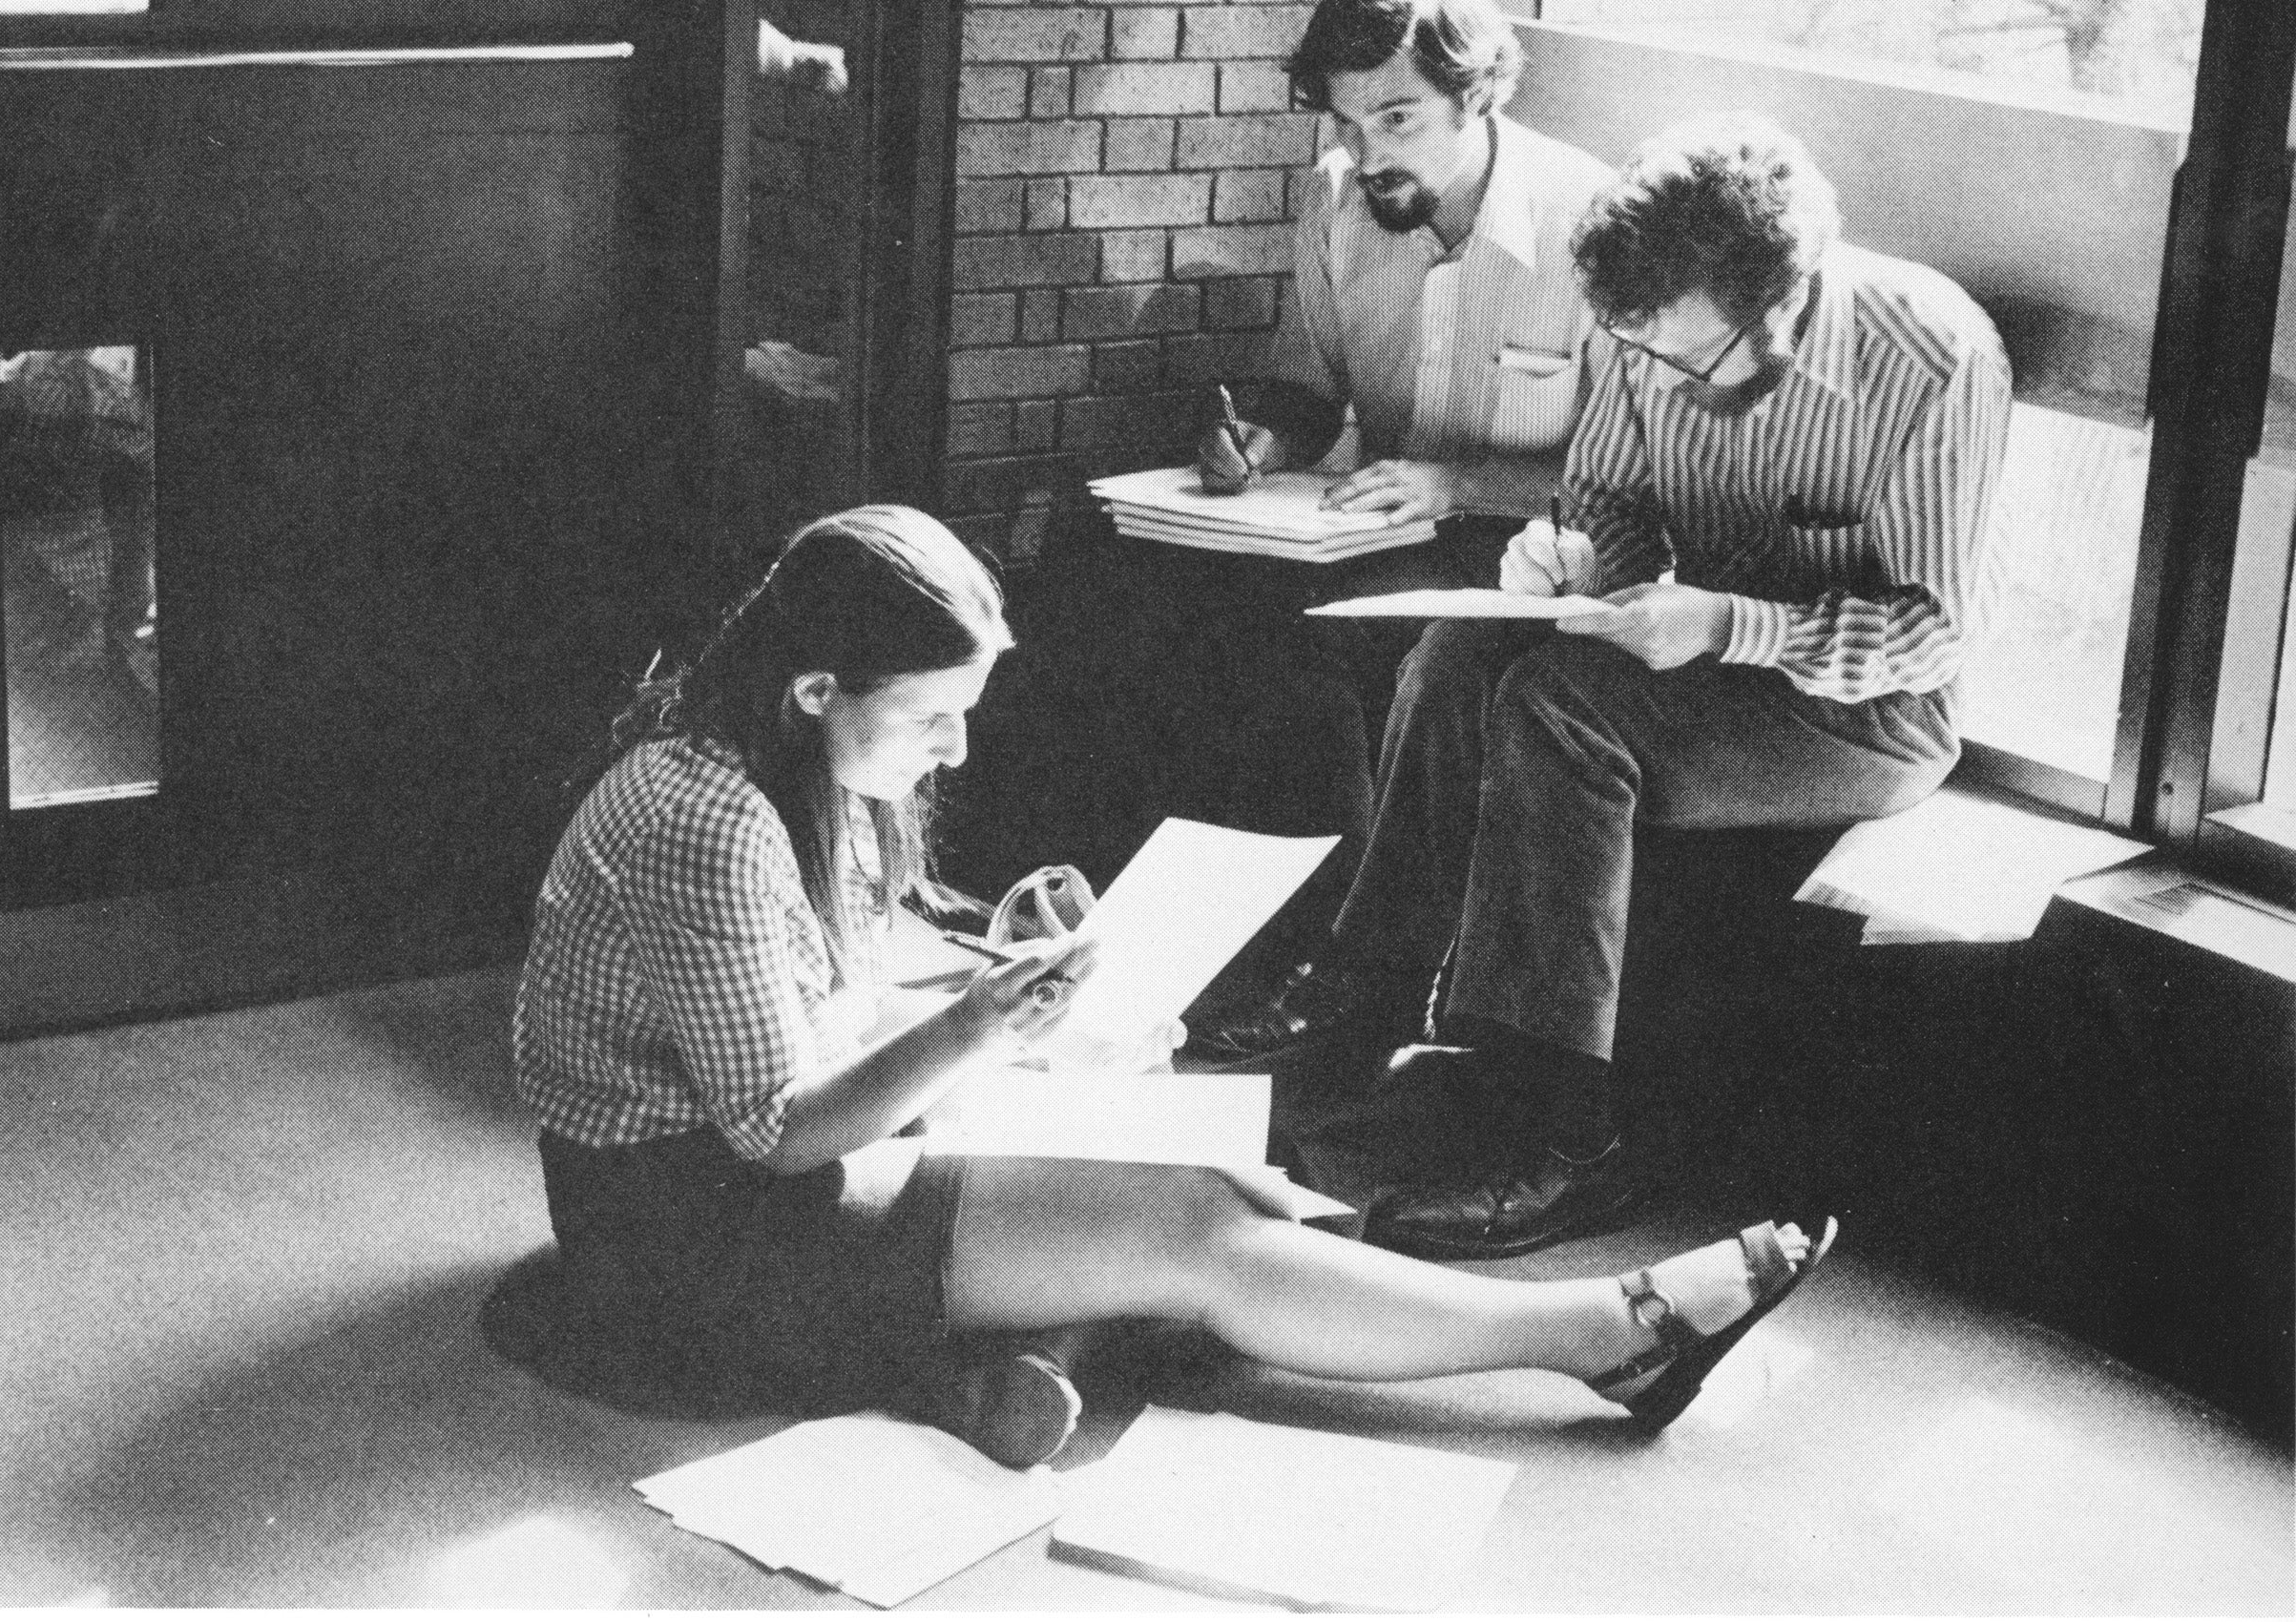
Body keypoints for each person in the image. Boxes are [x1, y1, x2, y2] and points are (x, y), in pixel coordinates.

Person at [511, 501, 1836, 1468]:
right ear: (813, 688)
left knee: (1232, 1191)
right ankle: (1610, 1330)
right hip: (690, 1233)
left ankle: (1005, 1362)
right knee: (1192, 1230)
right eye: (931, 717)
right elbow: (776, 1128)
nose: (954, 749)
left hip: (771, 1176)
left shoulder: (784, 766)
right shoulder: (708, 820)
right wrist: (981, 1024)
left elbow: (832, 981)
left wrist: (994, 966)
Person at [1213, 114, 2011, 1262]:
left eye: (1692, 360)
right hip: (1691, 652)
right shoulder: (1649, 327)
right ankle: (1370, 1002)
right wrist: (1574, 558)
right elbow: (1611, 506)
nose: (1663, 379)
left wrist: (1732, 621)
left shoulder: (1934, 354)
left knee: (1559, 710)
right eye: (1639, 354)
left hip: (1861, 705)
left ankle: (1565, 1140)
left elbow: (1931, 632)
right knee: (1454, 654)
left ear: (1780, 301)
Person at [1100, 0, 1615, 995]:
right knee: (1138, 596)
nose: (1365, 150)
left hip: (1532, 554)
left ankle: (1324, 963)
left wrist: (1458, 479)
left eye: (1397, 119)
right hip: (1369, 532)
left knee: (1308, 653)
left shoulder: (1588, 223)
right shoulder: (1337, 196)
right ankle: (1170, 955)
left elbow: (1626, 475)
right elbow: (1308, 386)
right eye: (1344, 122)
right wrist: (1262, 434)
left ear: (1477, 96)